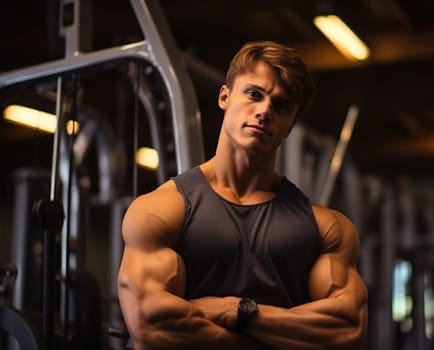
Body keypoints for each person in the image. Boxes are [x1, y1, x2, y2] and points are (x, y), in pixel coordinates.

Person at [117, 41, 367, 349]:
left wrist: (237, 311)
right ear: (225, 96)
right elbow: (151, 324)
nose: (264, 111)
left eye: (282, 106)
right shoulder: (161, 209)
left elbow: (347, 329)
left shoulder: (327, 228)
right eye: (254, 94)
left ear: (290, 125)